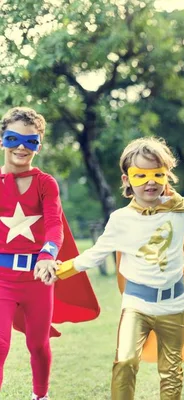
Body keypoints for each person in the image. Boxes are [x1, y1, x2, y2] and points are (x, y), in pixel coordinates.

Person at [46, 136, 184, 400]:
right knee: (124, 361)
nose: (150, 182)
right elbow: (94, 254)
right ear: (126, 180)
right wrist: (60, 270)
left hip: (173, 306)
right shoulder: (120, 219)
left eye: (158, 174)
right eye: (141, 175)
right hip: (137, 304)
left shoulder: (179, 211)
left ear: (166, 177)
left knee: (171, 371)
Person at [0, 107, 99, 400]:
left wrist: (47, 255)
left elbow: (55, 225)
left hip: (38, 278)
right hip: (2, 278)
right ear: (3, 139)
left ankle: (40, 396)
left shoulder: (46, 183)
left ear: (39, 146)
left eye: (30, 142)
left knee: (38, 344)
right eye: (13, 138)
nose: (21, 147)